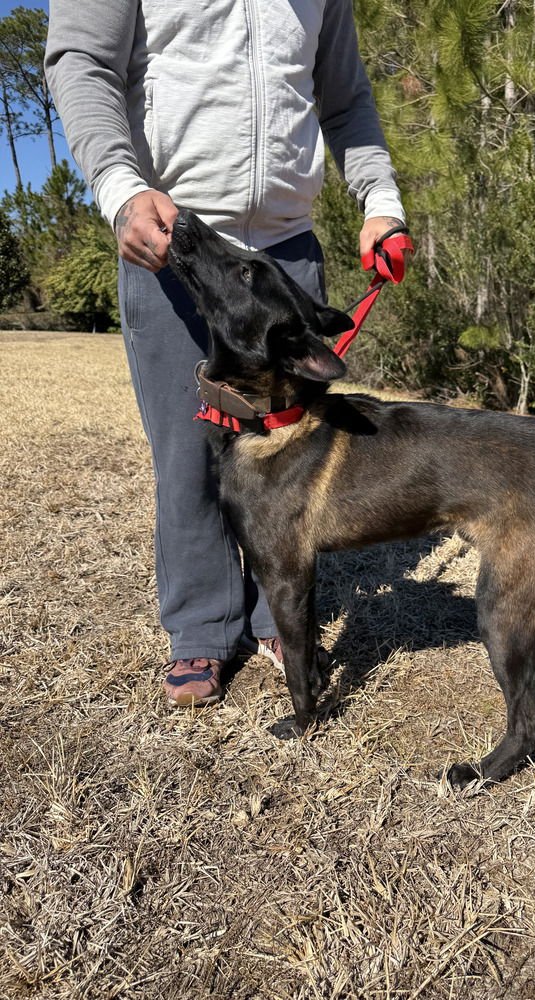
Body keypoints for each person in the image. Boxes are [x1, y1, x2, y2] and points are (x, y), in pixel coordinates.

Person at [45, 0, 409, 707]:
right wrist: (120, 190)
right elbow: (80, 61)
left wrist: (381, 198)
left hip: (287, 256)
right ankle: (203, 629)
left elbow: (346, 100)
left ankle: (279, 617)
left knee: (293, 459)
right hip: (174, 242)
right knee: (188, 457)